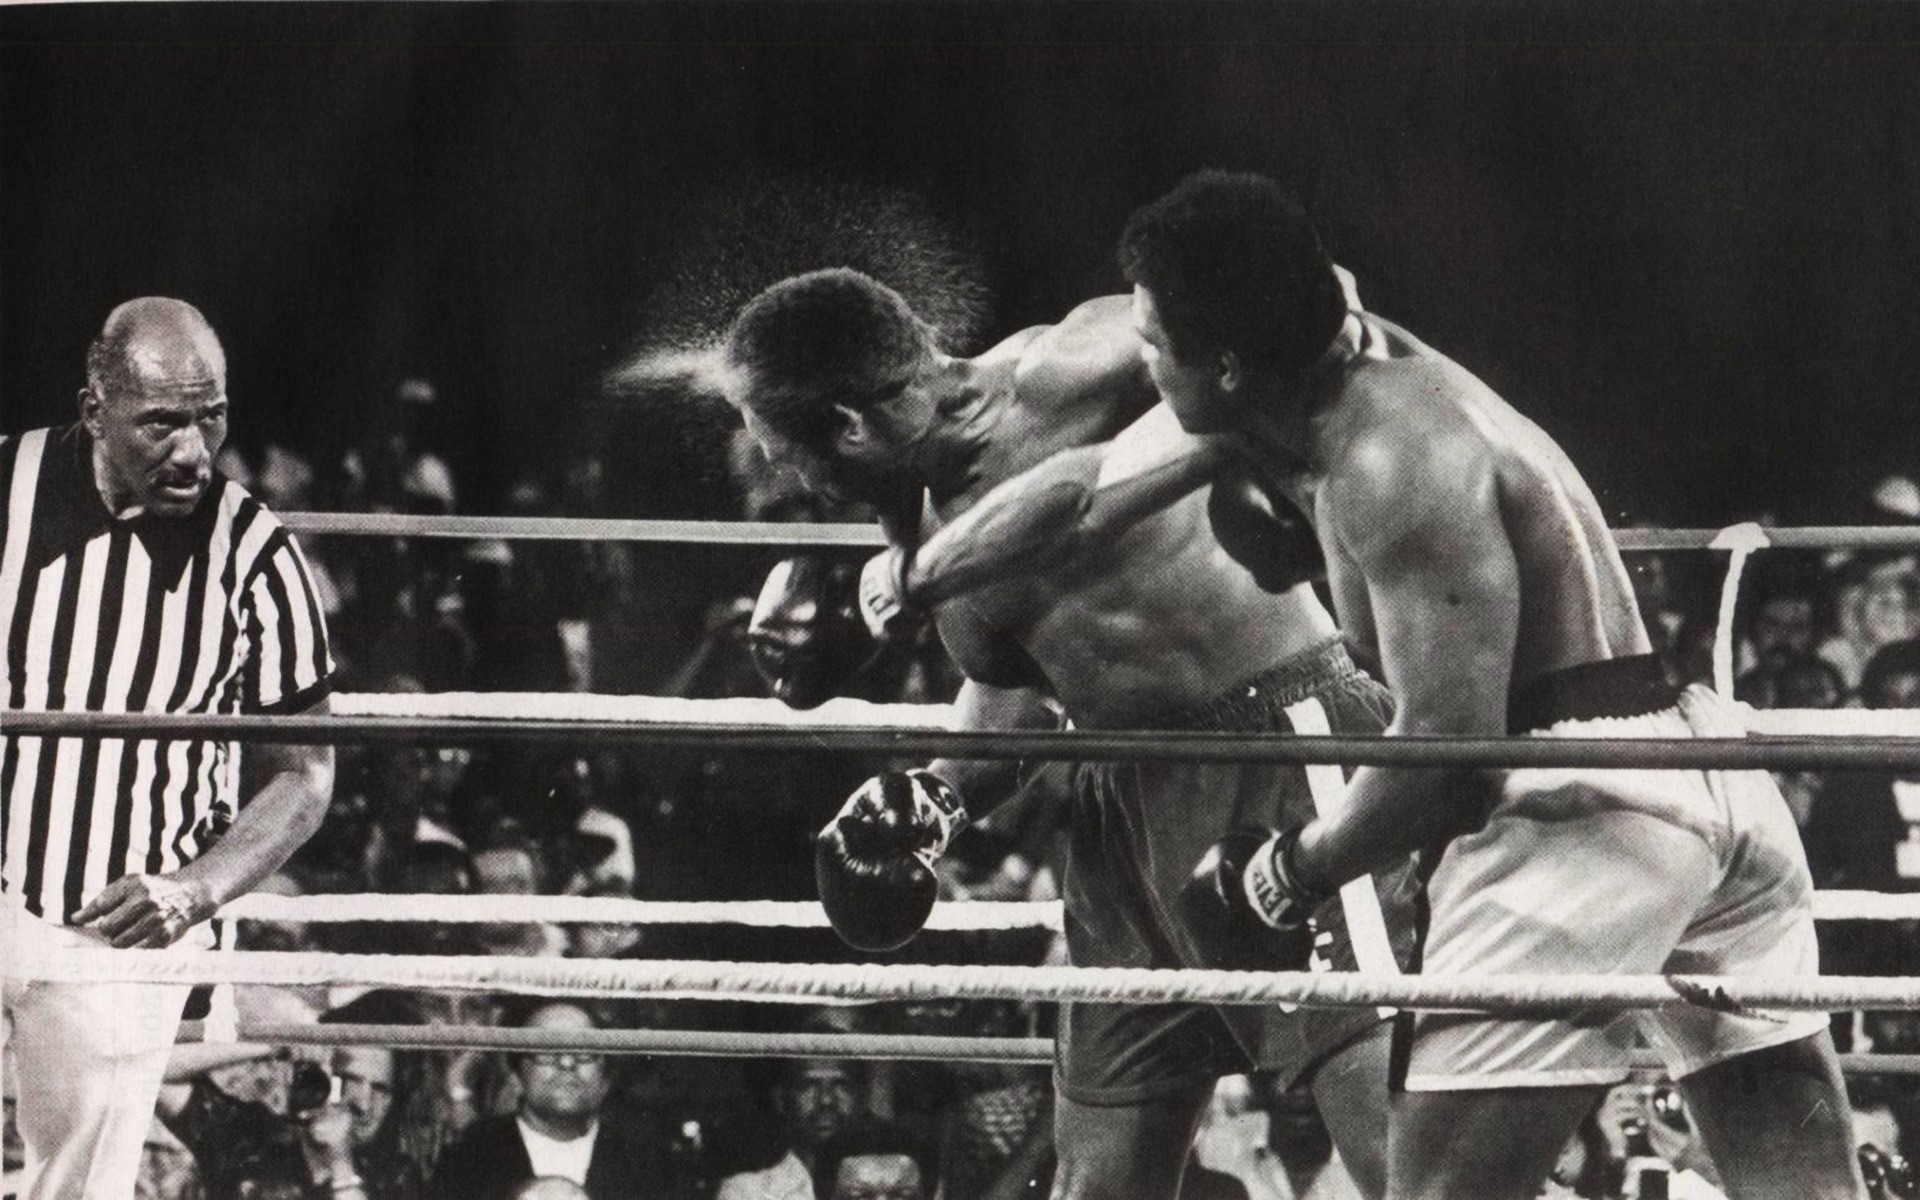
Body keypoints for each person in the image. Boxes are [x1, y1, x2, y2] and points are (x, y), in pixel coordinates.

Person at [879, 170, 1864, 1199]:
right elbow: (1082, 496)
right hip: (1705, 774)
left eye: (1155, 343)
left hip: (1578, 808)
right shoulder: (1307, 361)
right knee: (1804, 1184)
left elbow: (1444, 760)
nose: (1139, 362)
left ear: (1219, 365)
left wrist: (1282, 874)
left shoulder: (1389, 462)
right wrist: (905, 580)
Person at [723, 263, 1420, 1200]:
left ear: (847, 423)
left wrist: (1231, 438)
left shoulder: (1068, 367)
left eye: (782, 445)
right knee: (1094, 1186)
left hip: (1279, 749)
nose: (784, 472)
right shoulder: (913, 532)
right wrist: (937, 795)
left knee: (1401, 1160)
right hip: (1118, 808)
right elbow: (1024, 691)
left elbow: (1318, 297)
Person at [1, 297, 337, 1199]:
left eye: (211, 417)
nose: (194, 451)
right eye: (162, 423)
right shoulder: (7, 488)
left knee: (76, 1186)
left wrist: (198, 890)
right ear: (95, 410)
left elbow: (307, 773)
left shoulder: (254, 552)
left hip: (121, 917)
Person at [425, 1001, 661, 1199]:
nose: (567, 1063)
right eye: (548, 1049)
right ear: (518, 1071)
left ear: (605, 1073)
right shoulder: (470, 1157)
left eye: (585, 1049)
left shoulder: (645, 1164)